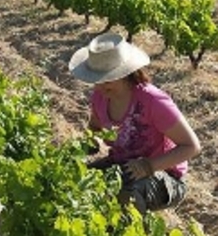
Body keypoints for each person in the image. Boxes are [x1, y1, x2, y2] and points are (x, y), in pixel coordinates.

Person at [68, 32, 201, 215]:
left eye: (106, 79)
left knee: (125, 195)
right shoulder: (100, 97)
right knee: (73, 182)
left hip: (164, 175)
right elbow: (94, 130)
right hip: (122, 166)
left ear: (124, 74)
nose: (99, 86)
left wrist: (149, 166)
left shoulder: (152, 101)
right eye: (96, 80)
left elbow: (191, 146)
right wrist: (81, 149)